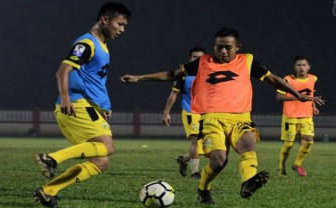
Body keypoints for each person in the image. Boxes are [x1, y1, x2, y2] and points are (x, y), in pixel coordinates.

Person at [120, 27, 314, 205]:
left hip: (241, 118)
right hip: (211, 119)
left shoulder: (248, 61)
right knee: (219, 161)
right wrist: (140, 77)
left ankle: (248, 182)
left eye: (228, 48)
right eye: (219, 47)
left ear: (237, 47)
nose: (222, 51)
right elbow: (173, 73)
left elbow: (272, 79)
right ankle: (204, 189)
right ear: (213, 46)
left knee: (248, 146)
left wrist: (296, 94)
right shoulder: (203, 62)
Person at [32, 2, 131, 208]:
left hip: (87, 107)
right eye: (119, 24)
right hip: (76, 105)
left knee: (100, 162)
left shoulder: (102, 46)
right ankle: (51, 159)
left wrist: (102, 106)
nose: (121, 30)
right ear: (105, 20)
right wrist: (66, 97)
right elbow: (63, 71)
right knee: (107, 146)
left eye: (124, 26)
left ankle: (48, 191)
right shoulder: (87, 43)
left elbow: (93, 80)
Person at [277, 56, 325, 177]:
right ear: (295, 67)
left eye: (304, 65)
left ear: (308, 67)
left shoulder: (314, 78)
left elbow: (311, 94)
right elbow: (279, 97)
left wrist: (313, 106)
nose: (301, 67)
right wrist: (298, 97)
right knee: (288, 145)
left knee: (309, 141)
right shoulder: (287, 80)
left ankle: (297, 164)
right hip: (290, 117)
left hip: (306, 116)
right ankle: (281, 167)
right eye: (299, 65)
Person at [162, 47, 205, 179]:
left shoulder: (209, 73)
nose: (196, 60)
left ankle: (183, 160)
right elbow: (174, 93)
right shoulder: (184, 74)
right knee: (196, 142)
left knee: (205, 146)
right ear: (189, 59)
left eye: (200, 58)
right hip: (190, 111)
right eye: (194, 57)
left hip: (207, 113)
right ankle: (195, 172)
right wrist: (166, 112)